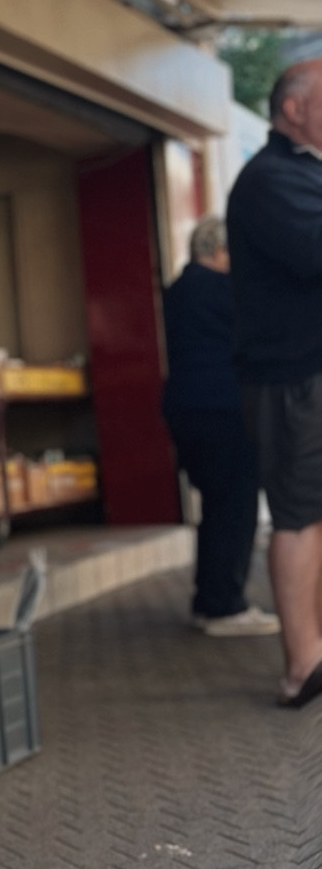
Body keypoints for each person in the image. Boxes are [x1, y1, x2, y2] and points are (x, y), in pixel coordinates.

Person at [227, 56, 322, 708]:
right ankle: (302, 664)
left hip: (309, 373)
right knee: (297, 515)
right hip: (293, 378)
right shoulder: (271, 178)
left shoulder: (302, 173)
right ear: (294, 108)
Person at [161, 215, 276, 636]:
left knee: (215, 508)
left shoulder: (178, 291)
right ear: (217, 251)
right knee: (236, 506)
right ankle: (226, 606)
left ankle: (208, 601)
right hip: (225, 411)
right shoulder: (222, 291)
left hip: (187, 410)